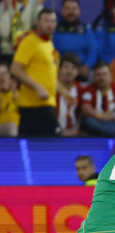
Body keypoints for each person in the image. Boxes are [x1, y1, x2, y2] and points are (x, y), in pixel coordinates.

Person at [10, 8, 61, 137]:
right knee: (50, 144)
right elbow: (15, 69)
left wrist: (65, 93)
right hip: (34, 105)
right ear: (37, 23)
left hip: (45, 103)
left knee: (36, 147)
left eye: (53, 21)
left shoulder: (48, 43)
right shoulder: (30, 41)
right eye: (46, 21)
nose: (50, 24)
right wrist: (38, 87)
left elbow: (49, 77)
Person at [80, 61, 115, 138]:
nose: (101, 78)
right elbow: (85, 109)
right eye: (98, 75)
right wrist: (102, 116)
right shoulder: (88, 90)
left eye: (104, 74)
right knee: (87, 121)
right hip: (96, 122)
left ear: (111, 76)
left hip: (114, 125)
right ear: (93, 77)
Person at [53, 0, 97, 81]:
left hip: (81, 71)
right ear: (62, 11)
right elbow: (52, 50)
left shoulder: (86, 29)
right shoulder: (55, 29)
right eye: (67, 8)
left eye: (74, 8)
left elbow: (93, 51)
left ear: (79, 11)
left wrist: (87, 65)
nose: (71, 12)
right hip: (59, 71)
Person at [56, 52, 82, 137]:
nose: (69, 71)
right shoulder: (51, 87)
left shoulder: (80, 89)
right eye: (66, 67)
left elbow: (81, 114)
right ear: (59, 69)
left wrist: (75, 130)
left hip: (74, 134)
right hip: (52, 132)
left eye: (74, 68)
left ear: (78, 72)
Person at [0, 62, 19, 137]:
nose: (1, 77)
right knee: (11, 126)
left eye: (4, 74)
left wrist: (15, 95)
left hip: (20, 127)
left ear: (9, 76)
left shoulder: (18, 93)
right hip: (3, 126)